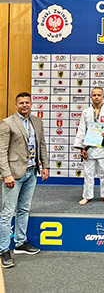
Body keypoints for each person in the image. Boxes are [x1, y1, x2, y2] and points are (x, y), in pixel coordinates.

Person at [0, 92, 49, 268]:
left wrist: (45, 166)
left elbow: (41, 144)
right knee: (7, 213)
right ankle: (3, 250)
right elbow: (1, 151)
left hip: (31, 172)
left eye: (27, 102)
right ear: (16, 105)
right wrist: (6, 174)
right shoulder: (7, 124)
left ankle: (20, 243)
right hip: (13, 175)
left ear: (31, 103)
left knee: (24, 209)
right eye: (21, 103)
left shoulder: (37, 122)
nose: (24, 105)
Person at [74, 87, 104, 205]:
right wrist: (81, 148)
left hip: (102, 147)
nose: (96, 97)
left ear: (103, 97)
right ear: (91, 97)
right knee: (88, 173)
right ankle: (87, 196)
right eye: (94, 95)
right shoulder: (86, 112)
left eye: (99, 95)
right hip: (89, 148)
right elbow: (81, 130)